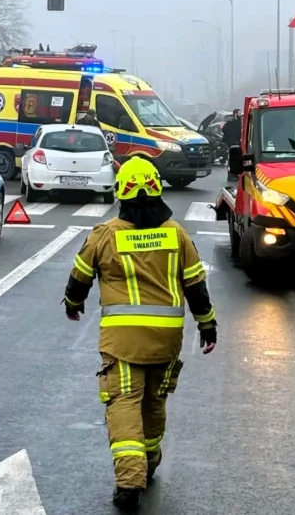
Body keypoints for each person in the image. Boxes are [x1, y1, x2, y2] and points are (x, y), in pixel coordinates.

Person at [63, 156, 218, 511]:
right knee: (154, 402)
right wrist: (207, 325)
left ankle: (130, 481)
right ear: (157, 189)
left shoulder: (105, 235)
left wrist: (73, 303)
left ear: (122, 192)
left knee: (124, 403)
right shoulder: (176, 234)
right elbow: (196, 286)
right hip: (166, 341)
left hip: (122, 342)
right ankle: (149, 458)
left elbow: (79, 277)